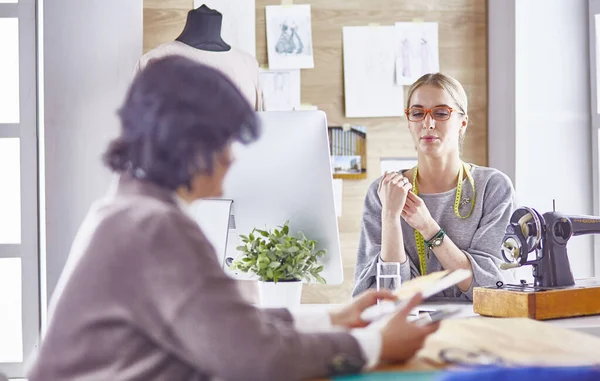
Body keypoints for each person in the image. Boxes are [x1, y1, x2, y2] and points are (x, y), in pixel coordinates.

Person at [26, 56, 439, 381]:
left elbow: (221, 322)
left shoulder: (128, 210)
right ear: (188, 142)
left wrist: (332, 316)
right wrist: (374, 343)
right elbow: (255, 358)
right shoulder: (155, 227)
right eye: (224, 140)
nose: (231, 157)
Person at [353, 73, 516, 301]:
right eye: (418, 113)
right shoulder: (383, 193)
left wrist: (428, 228)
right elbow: (382, 298)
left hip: (475, 328)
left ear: (462, 122)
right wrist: (390, 217)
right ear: (409, 122)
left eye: (441, 113)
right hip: (406, 330)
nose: (428, 123)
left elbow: (491, 288)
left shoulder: (493, 188)